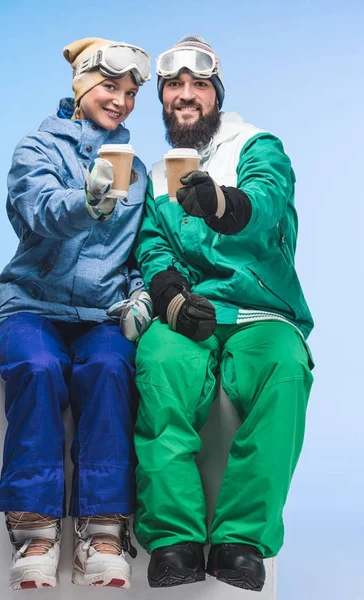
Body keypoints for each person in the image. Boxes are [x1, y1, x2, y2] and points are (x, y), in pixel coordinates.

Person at [134, 35, 314, 592]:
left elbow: (267, 202)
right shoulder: (160, 177)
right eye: (174, 87)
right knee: (159, 360)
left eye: (199, 85)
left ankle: (241, 540)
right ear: (163, 98)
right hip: (193, 315)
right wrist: (171, 297)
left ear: (216, 93)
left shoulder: (256, 146)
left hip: (259, 314)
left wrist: (220, 202)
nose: (186, 95)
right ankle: (174, 540)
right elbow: (153, 245)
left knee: (285, 369)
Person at [0, 37, 152, 590]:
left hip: (102, 313)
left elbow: (136, 252)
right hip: (33, 304)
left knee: (111, 370)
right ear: (82, 87)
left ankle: (102, 529)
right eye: (110, 87)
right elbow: (37, 213)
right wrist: (86, 201)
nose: (122, 101)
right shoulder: (37, 149)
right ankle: (35, 530)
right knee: (37, 369)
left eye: (131, 93)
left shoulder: (139, 173)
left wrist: (140, 295)